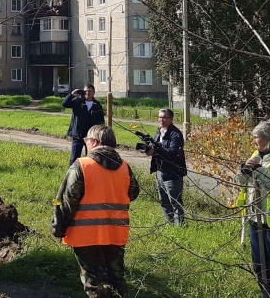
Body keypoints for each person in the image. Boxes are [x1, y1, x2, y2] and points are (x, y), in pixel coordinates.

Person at [52, 124, 140, 298]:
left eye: (86, 139)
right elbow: (133, 192)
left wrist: (58, 227)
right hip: (116, 233)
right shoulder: (125, 167)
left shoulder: (82, 166)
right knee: (117, 279)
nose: (85, 143)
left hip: (86, 235)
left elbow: (65, 201)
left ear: (95, 142)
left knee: (94, 283)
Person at [237, 120, 270, 298]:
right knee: (259, 267)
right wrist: (243, 173)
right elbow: (241, 183)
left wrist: (260, 171)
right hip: (255, 220)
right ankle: (266, 295)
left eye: (256, 138)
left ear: (268, 139)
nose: (253, 142)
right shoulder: (256, 155)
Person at [145, 108, 187, 225]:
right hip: (160, 171)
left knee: (175, 202)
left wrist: (155, 151)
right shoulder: (159, 132)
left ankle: (180, 227)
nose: (161, 120)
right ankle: (170, 224)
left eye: (164, 117)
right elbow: (154, 147)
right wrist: (148, 149)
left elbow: (173, 152)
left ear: (171, 119)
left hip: (172, 173)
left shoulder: (176, 134)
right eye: (160, 117)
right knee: (164, 201)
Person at [62, 84, 106, 165]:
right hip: (78, 135)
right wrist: (71, 95)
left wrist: (100, 135)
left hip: (91, 136)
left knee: (90, 157)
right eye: (85, 91)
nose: (87, 93)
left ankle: (88, 174)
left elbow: (101, 122)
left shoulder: (97, 105)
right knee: (74, 158)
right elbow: (64, 104)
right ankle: (72, 174)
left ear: (93, 93)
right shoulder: (78, 101)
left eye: (89, 91)